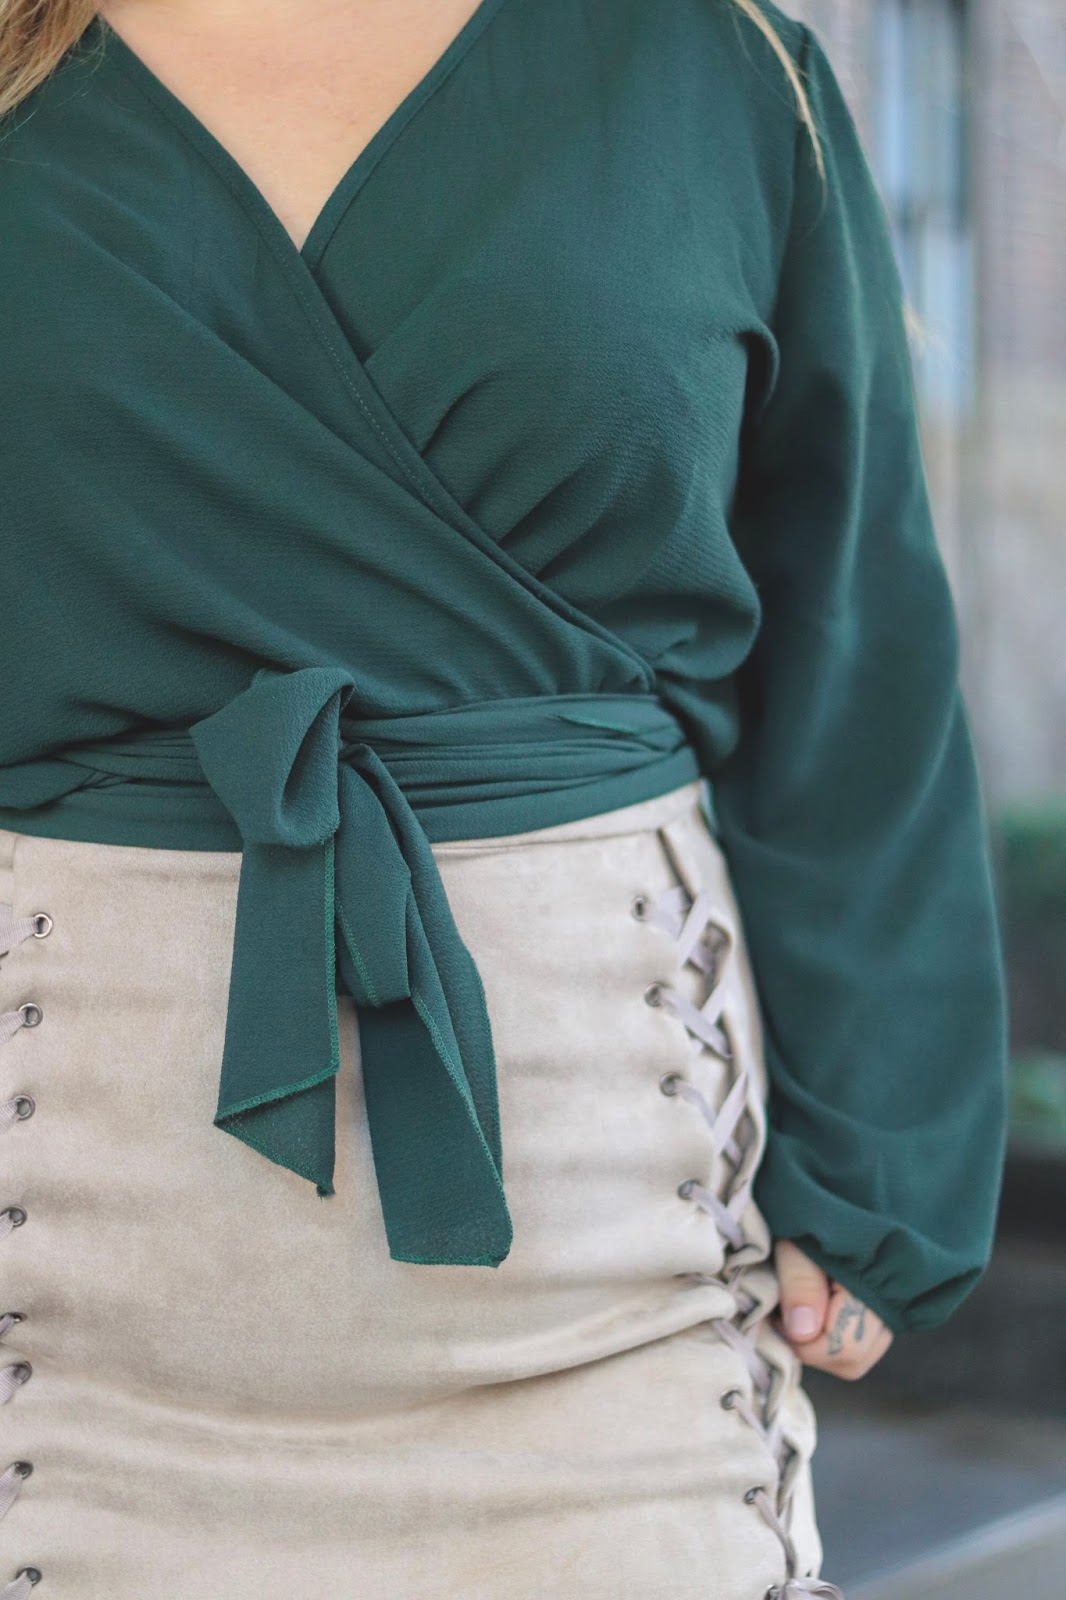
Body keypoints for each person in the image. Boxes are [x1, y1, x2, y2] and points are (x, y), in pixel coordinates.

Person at [0, 0, 1008, 1595]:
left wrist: (879, 1163)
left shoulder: (715, 69)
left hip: (614, 1262)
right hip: (50, 1271)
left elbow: (851, 650)